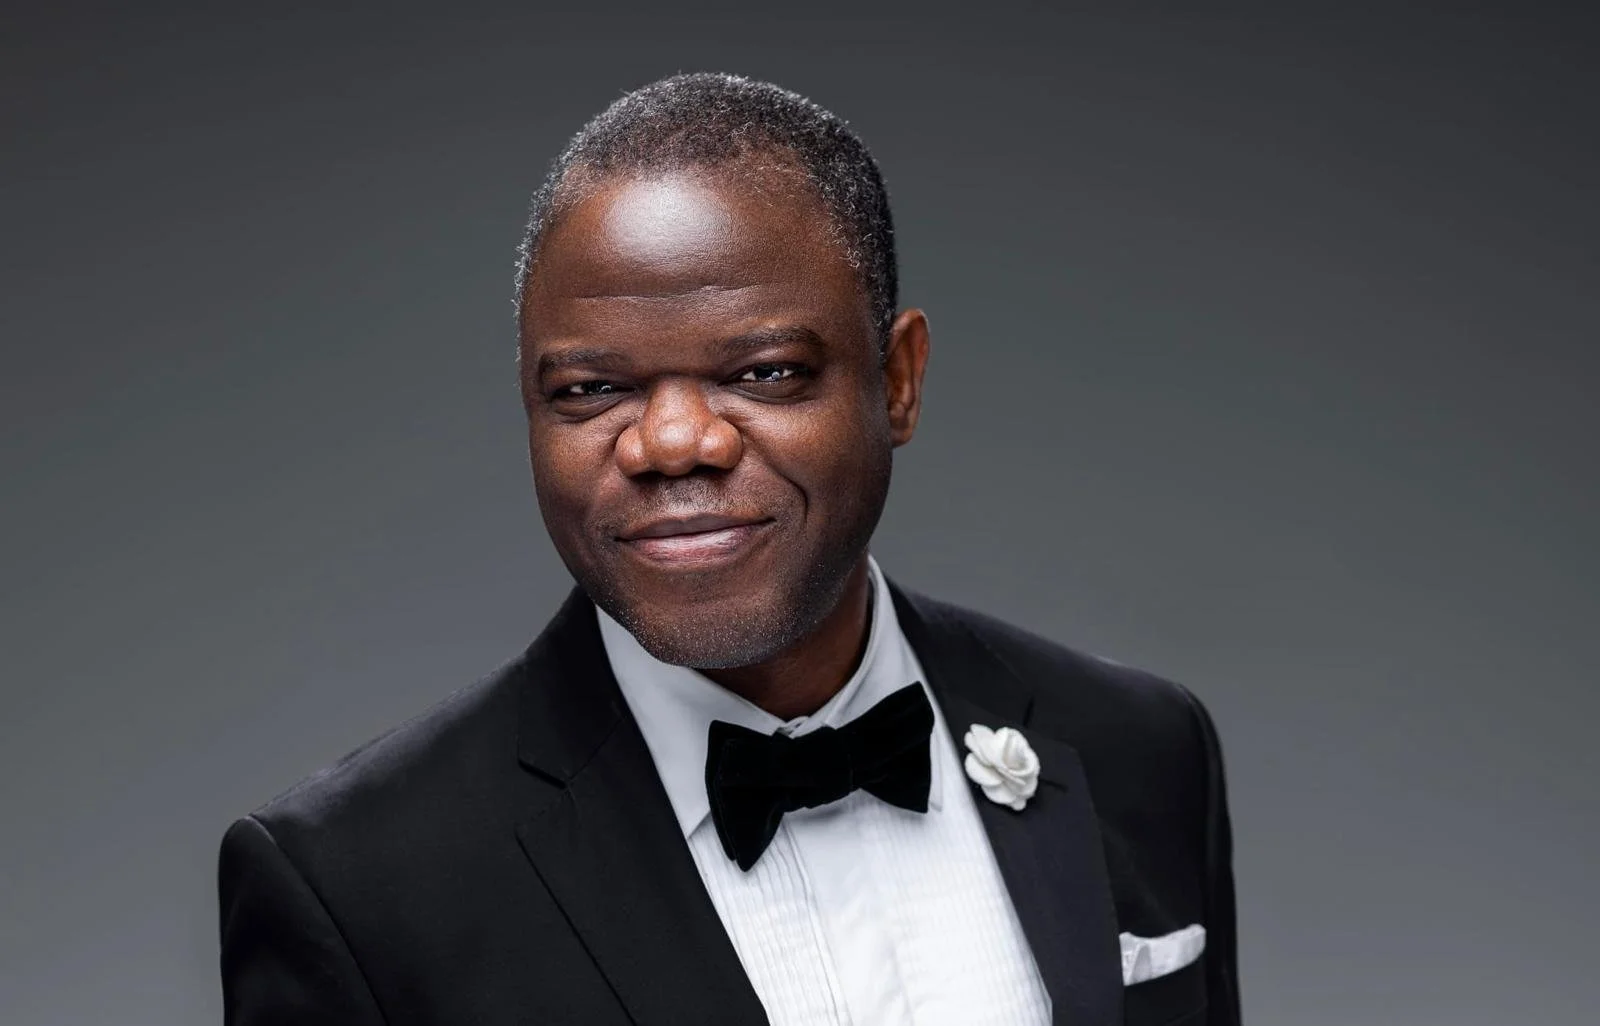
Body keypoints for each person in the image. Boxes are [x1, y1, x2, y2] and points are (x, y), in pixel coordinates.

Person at [217, 72, 1241, 1026]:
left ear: (897, 382)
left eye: (763, 373)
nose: (672, 443)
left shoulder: (1139, 748)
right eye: (590, 390)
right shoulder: (354, 886)